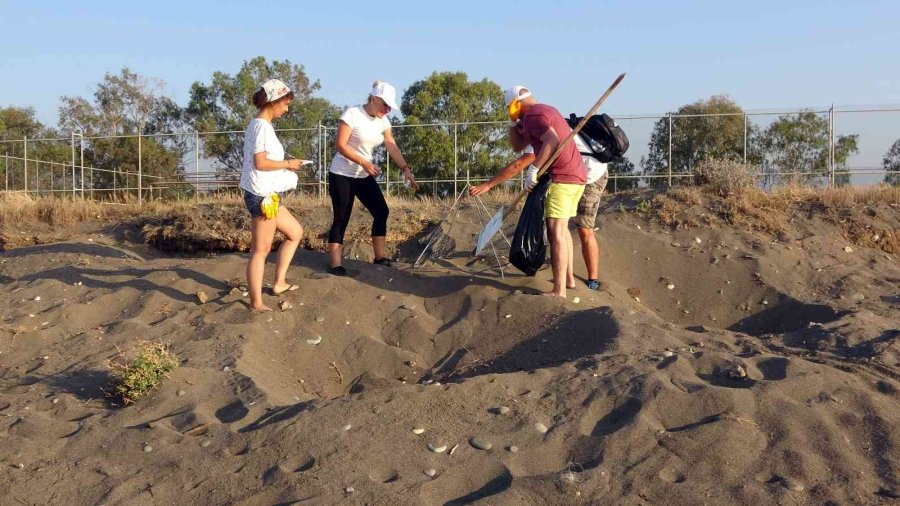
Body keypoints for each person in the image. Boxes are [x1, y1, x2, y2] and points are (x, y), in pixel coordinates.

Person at [469, 130, 608, 291]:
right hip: (570, 177)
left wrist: (488, 185)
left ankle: (592, 280)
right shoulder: (537, 130)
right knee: (561, 226)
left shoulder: (538, 132)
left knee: (584, 229)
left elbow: (518, 165)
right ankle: (568, 279)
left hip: (592, 174)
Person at [326, 80, 418, 275]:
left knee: (381, 211)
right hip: (342, 174)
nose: (387, 109)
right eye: (384, 104)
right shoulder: (352, 114)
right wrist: (363, 162)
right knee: (342, 216)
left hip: (363, 174)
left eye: (390, 107)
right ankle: (335, 264)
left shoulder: (383, 121)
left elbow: (391, 145)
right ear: (374, 98)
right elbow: (340, 145)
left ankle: (379, 257)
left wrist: (405, 168)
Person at [507, 85, 586, 298]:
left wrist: (534, 169)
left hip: (562, 177)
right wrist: (513, 122)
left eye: (510, 108)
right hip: (577, 176)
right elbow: (518, 145)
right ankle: (568, 280)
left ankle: (558, 291)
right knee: (562, 228)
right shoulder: (543, 111)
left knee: (555, 232)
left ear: (516, 103)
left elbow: (552, 140)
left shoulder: (533, 116)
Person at [240, 78, 307, 312]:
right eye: (285, 104)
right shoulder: (260, 126)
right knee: (261, 251)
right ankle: (256, 302)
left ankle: (279, 283)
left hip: (268, 193)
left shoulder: (261, 125)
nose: (286, 109)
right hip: (262, 195)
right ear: (275, 101)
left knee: (295, 232)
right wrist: (288, 164)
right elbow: (260, 162)